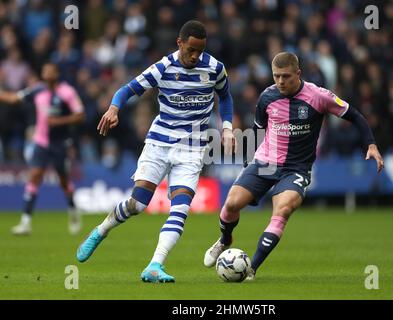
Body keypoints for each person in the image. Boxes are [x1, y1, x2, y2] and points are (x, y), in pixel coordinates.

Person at [76, 20, 235, 283]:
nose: (195, 56)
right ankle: (101, 230)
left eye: (200, 50)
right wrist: (114, 108)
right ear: (180, 43)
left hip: (193, 149)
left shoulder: (215, 68)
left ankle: (154, 265)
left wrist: (227, 127)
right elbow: (127, 89)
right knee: (138, 204)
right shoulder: (163, 67)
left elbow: (226, 97)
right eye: (191, 50)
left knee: (181, 209)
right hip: (159, 143)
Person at [203, 52, 384, 280]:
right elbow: (259, 130)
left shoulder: (319, 96)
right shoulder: (267, 97)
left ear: (298, 73)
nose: (280, 81)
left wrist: (371, 145)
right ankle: (225, 239)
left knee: (282, 211)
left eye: (285, 76)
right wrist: (250, 163)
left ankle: (251, 269)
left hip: (296, 169)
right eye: (276, 76)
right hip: (264, 163)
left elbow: (355, 116)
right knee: (231, 205)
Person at [0, 62, 85, 235]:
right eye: (44, 70)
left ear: (57, 73)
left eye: (50, 71)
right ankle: (25, 222)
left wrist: (59, 121)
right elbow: (14, 98)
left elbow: (80, 115)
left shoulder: (67, 92)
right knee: (35, 175)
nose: (46, 73)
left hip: (60, 143)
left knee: (63, 181)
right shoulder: (37, 90)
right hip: (41, 142)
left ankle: (73, 211)